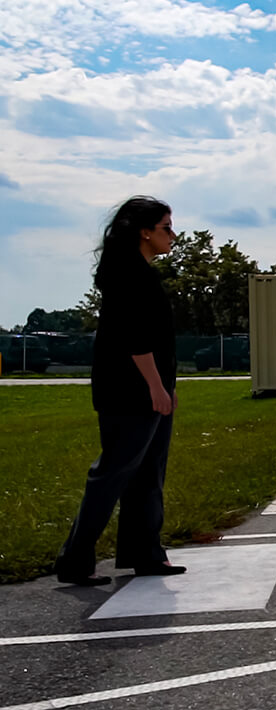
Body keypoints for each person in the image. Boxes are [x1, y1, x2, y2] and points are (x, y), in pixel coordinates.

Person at [54, 196, 187, 585]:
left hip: (151, 389)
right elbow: (135, 339)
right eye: (166, 227)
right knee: (112, 473)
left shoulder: (141, 272)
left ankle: (144, 553)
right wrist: (155, 387)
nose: (173, 235)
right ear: (144, 232)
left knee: (148, 474)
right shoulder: (127, 274)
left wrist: (167, 386)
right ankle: (75, 560)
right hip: (129, 392)